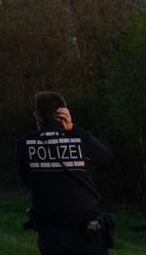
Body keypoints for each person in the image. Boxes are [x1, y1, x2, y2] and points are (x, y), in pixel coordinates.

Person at [16, 91, 113, 254]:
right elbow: (106, 155)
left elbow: (24, 179)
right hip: (88, 232)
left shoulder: (24, 144)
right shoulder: (80, 139)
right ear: (64, 114)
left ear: (36, 116)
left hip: (51, 233)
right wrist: (74, 128)